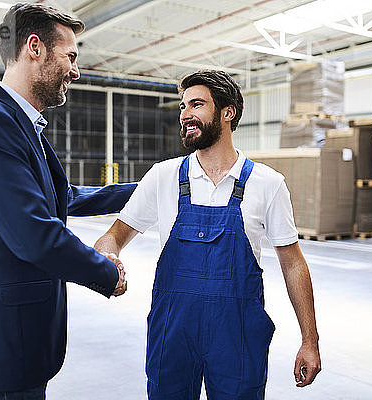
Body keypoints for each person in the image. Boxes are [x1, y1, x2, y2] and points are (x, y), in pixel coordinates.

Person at [0, 3, 135, 398]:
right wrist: (106, 273)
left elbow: (63, 197)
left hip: (20, 347)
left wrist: (151, 188)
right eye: (70, 56)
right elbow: (34, 233)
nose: (75, 70)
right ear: (34, 47)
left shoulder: (20, 124)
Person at [94, 70, 321, 399]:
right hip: (172, 333)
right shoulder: (163, 176)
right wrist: (106, 258)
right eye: (182, 106)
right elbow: (112, 236)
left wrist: (309, 340)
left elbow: (293, 263)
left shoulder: (267, 184)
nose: (185, 114)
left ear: (227, 113)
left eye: (196, 104)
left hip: (237, 337)